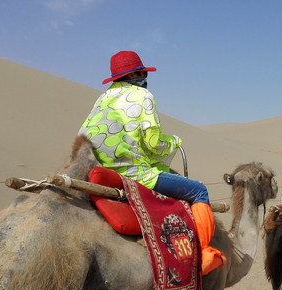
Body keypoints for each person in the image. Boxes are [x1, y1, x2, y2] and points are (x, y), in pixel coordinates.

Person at [79, 51, 225, 275]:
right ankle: (205, 252)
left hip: (98, 170)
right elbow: (153, 143)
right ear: (136, 73)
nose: (145, 77)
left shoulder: (103, 98)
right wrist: (173, 143)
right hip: (134, 173)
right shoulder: (143, 96)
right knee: (199, 190)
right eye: (143, 73)